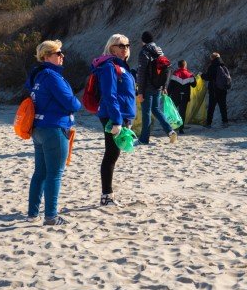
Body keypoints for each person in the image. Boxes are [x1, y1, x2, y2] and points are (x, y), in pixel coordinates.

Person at [26, 40, 81, 226]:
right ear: (47, 56)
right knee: (54, 174)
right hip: (54, 128)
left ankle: (33, 213)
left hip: (39, 128)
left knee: (40, 172)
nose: (62, 56)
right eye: (58, 53)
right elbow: (71, 103)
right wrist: (76, 103)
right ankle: (51, 216)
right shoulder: (52, 76)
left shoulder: (38, 75)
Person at [91, 34, 136, 207]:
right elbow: (110, 95)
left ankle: (107, 195)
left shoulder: (123, 67)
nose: (125, 48)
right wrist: (117, 121)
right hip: (112, 115)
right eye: (121, 45)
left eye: (127, 45)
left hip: (122, 115)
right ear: (112, 48)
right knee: (111, 153)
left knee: (113, 153)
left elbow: (128, 95)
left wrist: (128, 119)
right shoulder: (109, 66)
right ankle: (106, 196)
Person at [136, 31, 177, 145]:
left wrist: (140, 92)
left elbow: (141, 73)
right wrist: (164, 86)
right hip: (158, 86)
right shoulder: (159, 51)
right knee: (156, 109)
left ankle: (144, 139)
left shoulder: (144, 52)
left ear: (143, 40)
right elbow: (165, 70)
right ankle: (170, 131)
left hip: (147, 88)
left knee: (146, 113)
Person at [202, 52, 230, 128]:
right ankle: (225, 122)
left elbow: (208, 77)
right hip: (223, 89)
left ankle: (208, 123)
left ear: (212, 58)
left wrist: (202, 75)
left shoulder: (212, 66)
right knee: (223, 106)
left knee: (211, 107)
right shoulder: (224, 66)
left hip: (214, 89)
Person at [168, 60, 197, 134]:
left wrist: (167, 94)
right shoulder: (189, 74)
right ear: (185, 65)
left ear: (178, 66)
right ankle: (181, 129)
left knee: (173, 112)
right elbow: (194, 85)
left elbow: (171, 86)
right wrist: (193, 77)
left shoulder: (175, 74)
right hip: (185, 96)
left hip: (175, 96)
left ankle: (172, 127)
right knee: (182, 112)